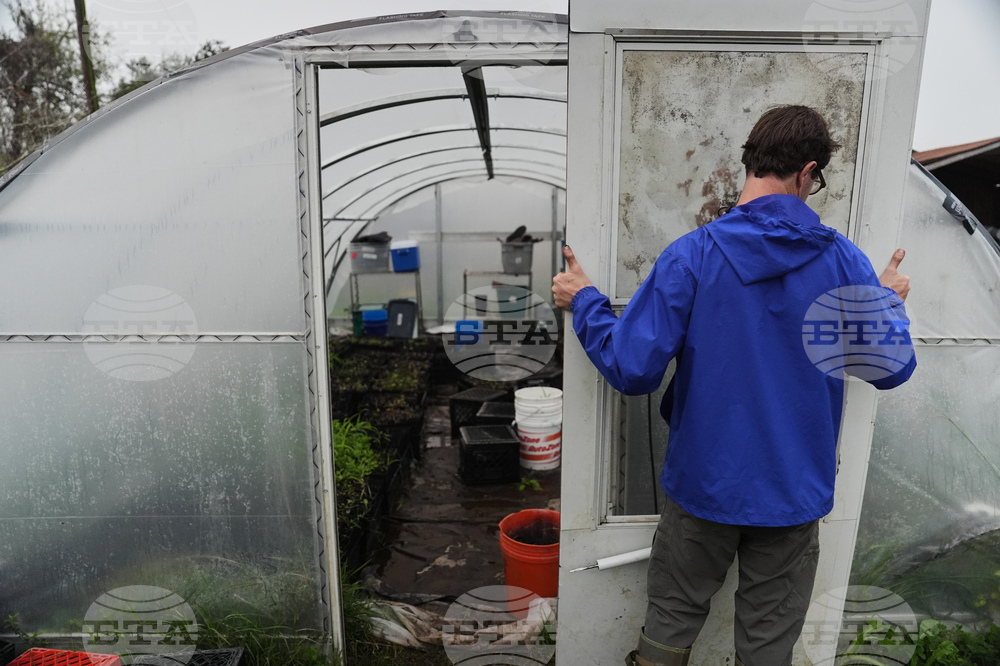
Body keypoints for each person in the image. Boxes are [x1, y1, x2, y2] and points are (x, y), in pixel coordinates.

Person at [551, 105, 916, 666]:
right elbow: (890, 367)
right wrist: (885, 302)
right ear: (807, 171)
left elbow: (632, 368)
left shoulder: (693, 255)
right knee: (768, 647)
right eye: (817, 181)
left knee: (670, 624)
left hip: (703, 486)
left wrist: (586, 303)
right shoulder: (845, 263)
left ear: (749, 162)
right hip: (794, 497)